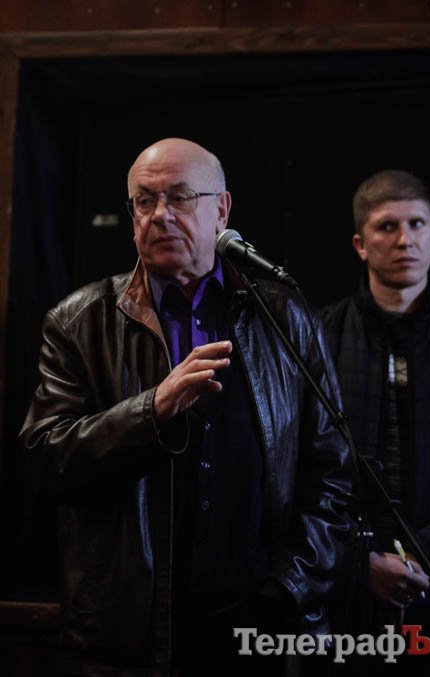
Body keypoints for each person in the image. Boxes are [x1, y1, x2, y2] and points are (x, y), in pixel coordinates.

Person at [20, 138, 353, 677]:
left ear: (221, 209)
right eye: (145, 201)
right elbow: (44, 459)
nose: (160, 215)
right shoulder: (79, 321)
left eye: (179, 197)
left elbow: (334, 470)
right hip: (131, 630)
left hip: (259, 623)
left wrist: (288, 583)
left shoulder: (285, 318)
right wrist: (153, 408)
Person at [321, 169, 430, 671]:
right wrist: (364, 560)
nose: (404, 240)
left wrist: (424, 551)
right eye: (387, 226)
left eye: (417, 225)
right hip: (346, 586)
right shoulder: (320, 335)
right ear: (360, 244)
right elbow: (302, 471)